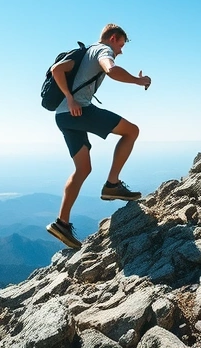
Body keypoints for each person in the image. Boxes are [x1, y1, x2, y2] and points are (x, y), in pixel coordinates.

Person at [46, 24, 151, 249]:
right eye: (121, 45)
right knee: (132, 131)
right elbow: (111, 70)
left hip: (63, 116)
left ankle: (61, 223)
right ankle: (112, 184)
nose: (120, 51)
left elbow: (57, 69)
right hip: (79, 111)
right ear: (113, 38)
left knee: (83, 169)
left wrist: (68, 99)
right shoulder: (104, 51)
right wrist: (138, 81)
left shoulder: (86, 52)